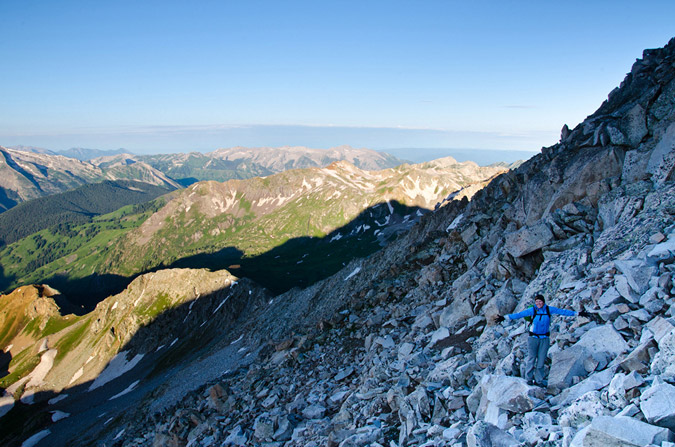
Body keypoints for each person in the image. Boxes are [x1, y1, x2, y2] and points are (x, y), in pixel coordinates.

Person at [495, 294, 589, 387]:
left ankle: (538, 380)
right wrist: (505, 317)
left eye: (540, 301)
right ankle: (529, 379)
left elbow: (562, 312)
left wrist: (578, 313)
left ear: (543, 302)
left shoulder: (549, 309)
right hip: (533, 338)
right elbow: (519, 315)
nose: (538, 303)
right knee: (532, 358)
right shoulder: (533, 310)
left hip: (544, 338)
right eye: (536, 302)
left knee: (541, 360)